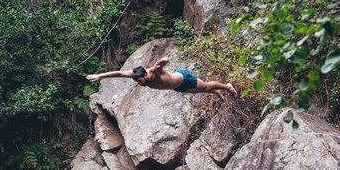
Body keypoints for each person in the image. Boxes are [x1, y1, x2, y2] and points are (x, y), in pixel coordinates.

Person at [86, 57, 238, 100]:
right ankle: (216, 92)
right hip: (177, 87)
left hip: (183, 78)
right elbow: (118, 74)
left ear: (145, 75)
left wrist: (163, 62)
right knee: (197, 91)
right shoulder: (136, 74)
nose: (139, 84)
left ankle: (227, 87)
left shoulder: (153, 71)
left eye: (139, 81)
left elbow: (162, 62)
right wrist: (100, 75)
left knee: (204, 86)